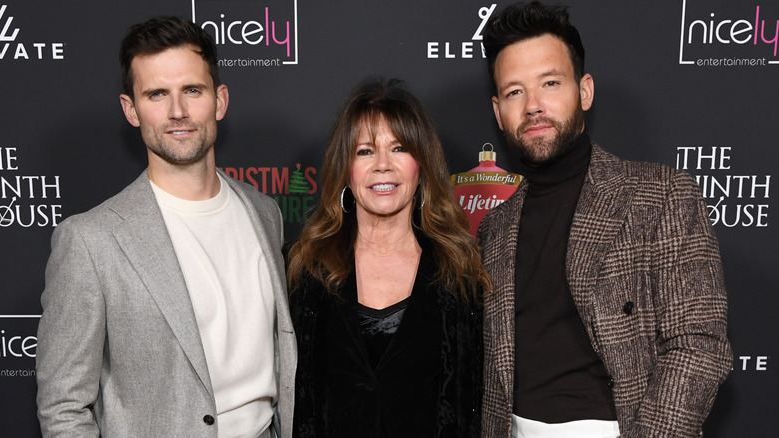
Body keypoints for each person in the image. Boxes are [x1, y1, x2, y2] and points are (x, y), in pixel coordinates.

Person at [478, 2, 731, 437]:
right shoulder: (493, 229)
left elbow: (700, 346)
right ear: (499, 111)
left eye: (550, 83)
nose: (534, 105)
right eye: (515, 91)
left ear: (585, 91)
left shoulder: (662, 195)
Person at [35, 16, 296, 438]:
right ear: (131, 109)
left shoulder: (264, 212)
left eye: (192, 90)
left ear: (220, 100)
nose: (177, 112)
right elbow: (64, 406)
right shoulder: (90, 240)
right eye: (157, 94)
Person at [285, 77, 490, 437]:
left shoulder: (458, 271)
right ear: (346, 169)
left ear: (421, 165)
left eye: (399, 148)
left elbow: (469, 408)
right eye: (365, 151)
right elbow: (301, 405)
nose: (382, 164)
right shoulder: (308, 269)